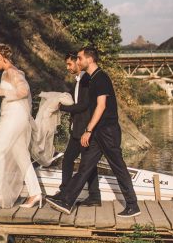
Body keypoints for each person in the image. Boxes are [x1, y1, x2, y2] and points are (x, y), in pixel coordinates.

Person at [47, 47, 141, 217]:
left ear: (89, 59)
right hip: (98, 131)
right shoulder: (91, 79)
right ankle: (67, 201)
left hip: (108, 131)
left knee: (118, 167)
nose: (78, 61)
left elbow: (101, 105)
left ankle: (133, 205)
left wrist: (88, 130)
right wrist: (90, 130)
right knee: (85, 167)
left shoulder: (101, 78)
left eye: (80, 58)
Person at [0, 44, 42, 210]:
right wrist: (1, 91)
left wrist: (1, 92)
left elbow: (23, 91)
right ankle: (35, 193)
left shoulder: (11, 72)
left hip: (13, 118)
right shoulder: (11, 72)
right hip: (15, 117)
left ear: (2, 57)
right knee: (21, 155)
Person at [49, 52, 101, 207]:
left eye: (70, 64)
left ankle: (84, 195)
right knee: (73, 161)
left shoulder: (87, 80)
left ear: (79, 63)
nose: (68, 67)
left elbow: (84, 105)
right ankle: (91, 195)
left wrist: (62, 107)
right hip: (76, 129)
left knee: (84, 164)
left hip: (85, 129)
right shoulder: (78, 81)